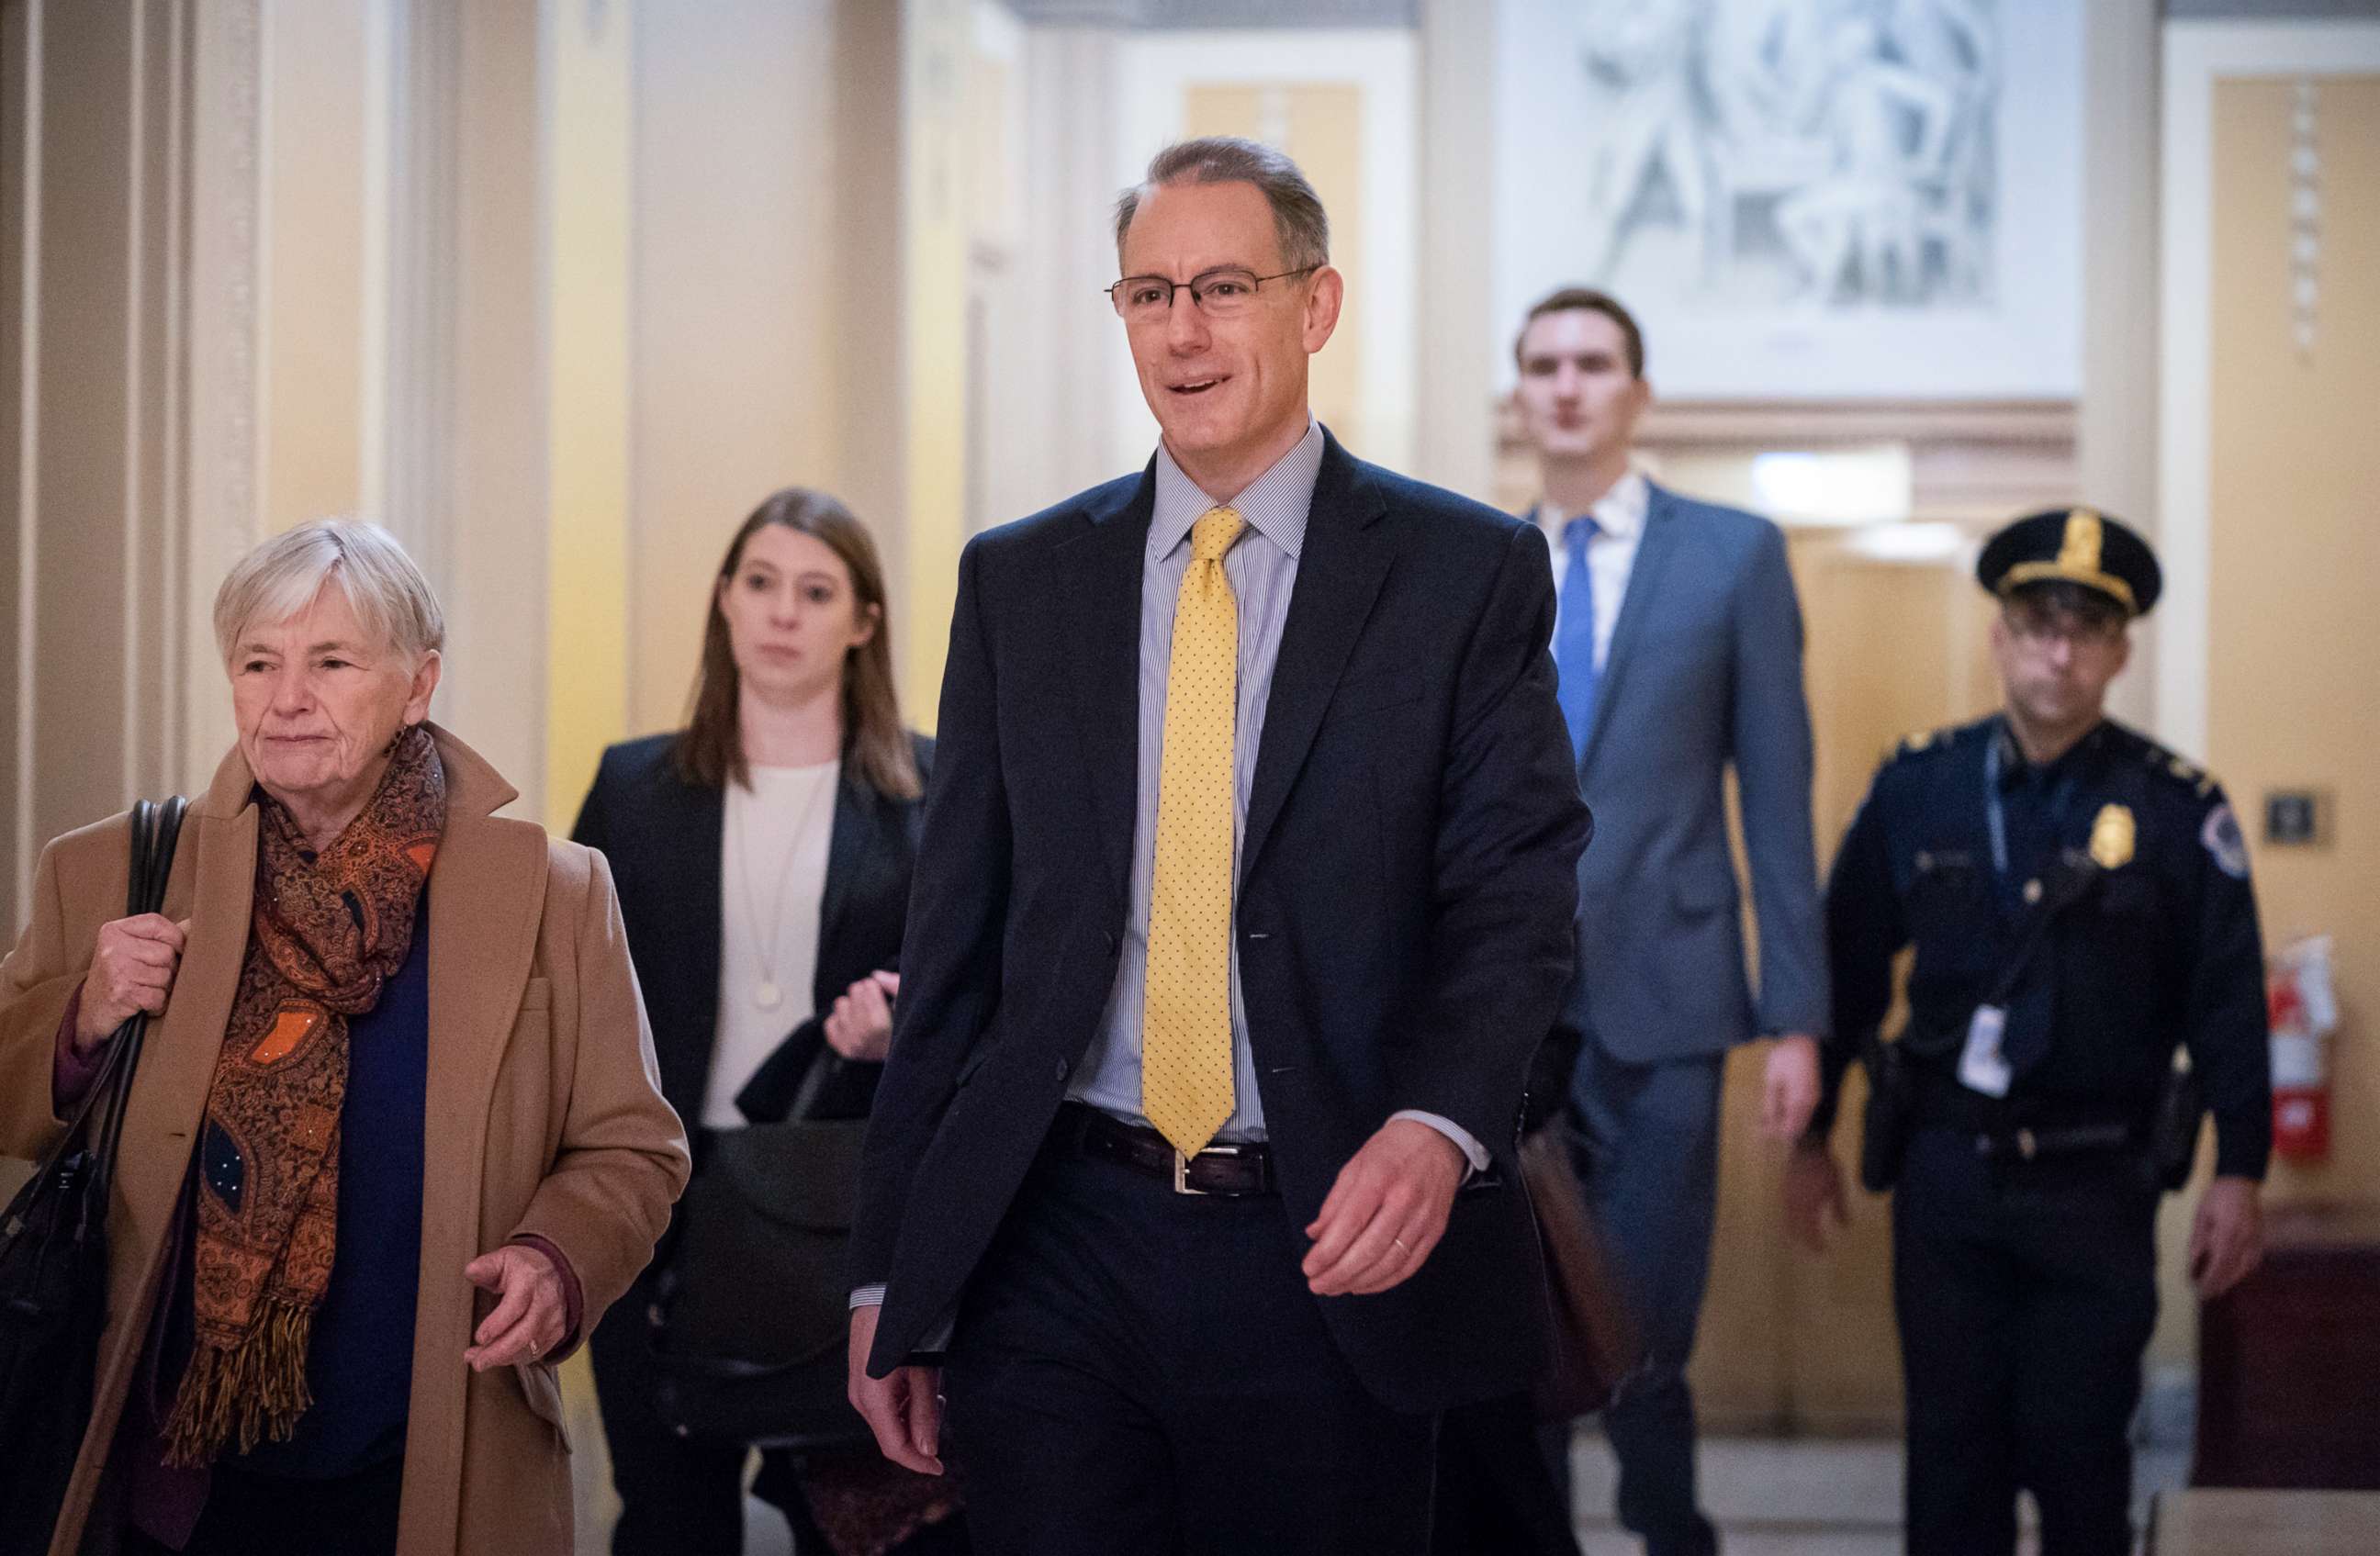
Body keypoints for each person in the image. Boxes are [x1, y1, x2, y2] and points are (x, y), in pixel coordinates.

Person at [843, 137, 1591, 1556]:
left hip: (1321, 1238)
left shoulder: (1462, 575)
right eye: (1147, 293)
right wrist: (891, 1267)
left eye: (1225, 287)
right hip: (1054, 1229)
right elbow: (952, 954)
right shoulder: (1021, 579)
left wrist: (1439, 1125)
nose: (1182, 330)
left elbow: (1516, 897)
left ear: (1316, 306)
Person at [0, 520, 689, 1556]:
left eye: (330, 662)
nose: (287, 699)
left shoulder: (552, 891)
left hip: (429, 1448)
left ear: (417, 685)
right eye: (259, 662)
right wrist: (83, 1019)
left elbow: (633, 1146)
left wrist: (559, 1257)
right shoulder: (109, 870)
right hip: (172, 1465)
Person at [1787, 508, 2270, 1556]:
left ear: (2121, 653)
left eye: (2087, 630)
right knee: (1950, 1463)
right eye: (2039, 623)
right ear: (1999, 636)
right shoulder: (1919, 786)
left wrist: (2241, 1169)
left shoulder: (2179, 808)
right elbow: (1851, 966)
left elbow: (2227, 999)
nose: (2060, 649)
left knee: (2081, 1459)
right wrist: (1811, 1131)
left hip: (2097, 1184)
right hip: (1948, 1179)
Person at [572, 488, 960, 1556]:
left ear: (863, 621)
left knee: (871, 1525)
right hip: (659, 1209)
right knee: (667, 1519)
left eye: (816, 590)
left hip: (845, 1212)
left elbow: (985, 997)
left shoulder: (935, 789)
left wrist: (900, 1027)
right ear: (726, 603)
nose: (784, 613)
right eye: (761, 583)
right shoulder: (636, 787)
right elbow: (570, 997)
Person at [1501, 286, 1827, 1556]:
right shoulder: (1479, 555)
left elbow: (1780, 797)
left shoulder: (1732, 554)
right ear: (1520, 393)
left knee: (1639, 1313)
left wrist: (1797, 1013)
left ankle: (1666, 1523)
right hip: (1511, 1011)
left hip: (1675, 996)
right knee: (1514, 1312)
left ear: (1637, 391)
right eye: (1543, 365)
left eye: (1593, 362)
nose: (1568, 384)